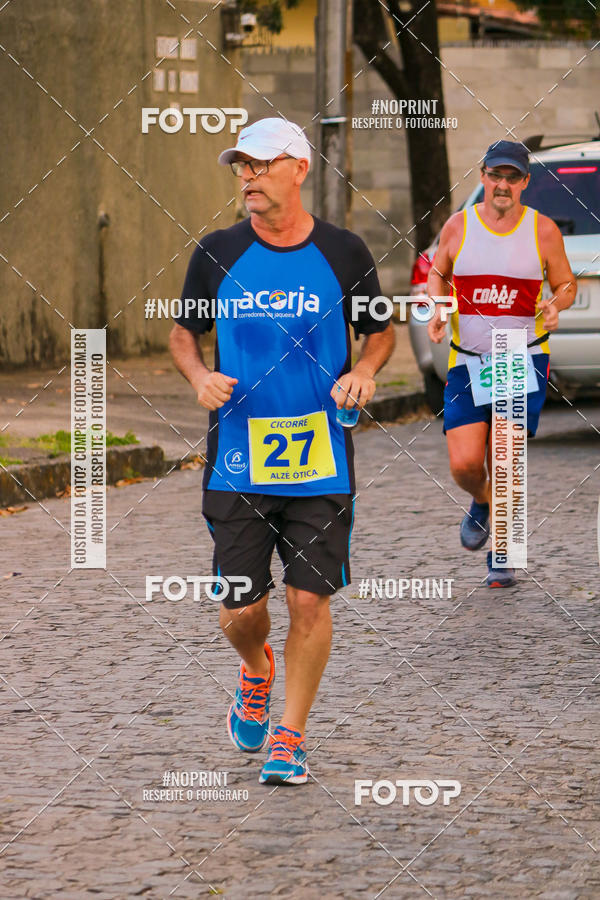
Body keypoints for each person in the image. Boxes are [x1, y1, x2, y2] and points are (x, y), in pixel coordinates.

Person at [169, 117, 394, 785]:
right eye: (240, 166)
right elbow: (183, 334)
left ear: (298, 168)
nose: (247, 176)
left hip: (321, 456)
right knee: (240, 608)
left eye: (260, 164)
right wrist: (198, 376)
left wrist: (368, 370)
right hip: (239, 456)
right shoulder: (216, 251)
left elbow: (378, 332)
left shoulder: (345, 252)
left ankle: (289, 738)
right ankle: (256, 668)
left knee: (308, 603)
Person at [427, 139, 576, 587]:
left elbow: (567, 284)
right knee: (465, 464)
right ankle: (484, 502)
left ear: (525, 182)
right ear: (483, 177)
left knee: (506, 455)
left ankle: (505, 551)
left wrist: (555, 304)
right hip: (467, 359)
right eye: (496, 175)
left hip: (520, 356)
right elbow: (438, 272)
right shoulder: (459, 225)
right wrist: (438, 307)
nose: (503, 184)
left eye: (513, 177)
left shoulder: (542, 230)